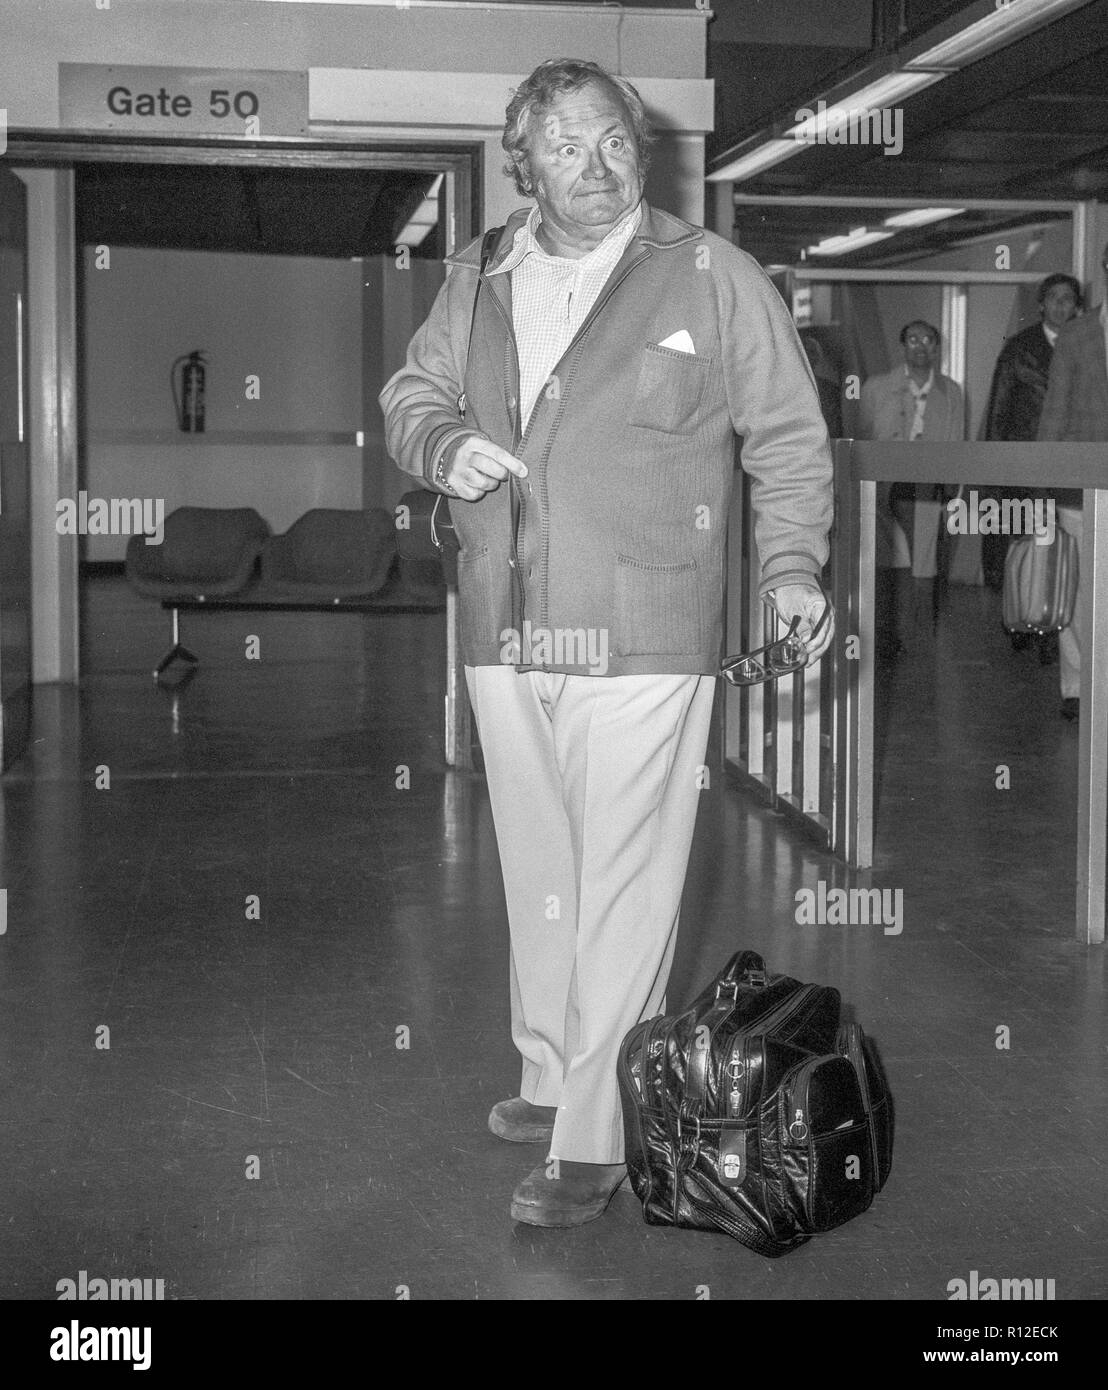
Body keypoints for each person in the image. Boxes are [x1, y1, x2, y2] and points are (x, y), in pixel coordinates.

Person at [380, 58, 834, 1227]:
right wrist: (442, 446)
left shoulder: (708, 273)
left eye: (615, 141)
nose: (599, 165)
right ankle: (550, 1070)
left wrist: (790, 568)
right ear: (521, 164)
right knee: (540, 873)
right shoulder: (476, 273)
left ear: (644, 149)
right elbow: (409, 396)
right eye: (567, 147)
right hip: (502, 619)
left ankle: (593, 1136)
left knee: (624, 881)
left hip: (646, 626)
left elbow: (785, 432)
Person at [982, 273, 1082, 658]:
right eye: (1054, 298)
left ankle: (1053, 625)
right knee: (1025, 546)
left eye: (1069, 299)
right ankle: (1020, 618)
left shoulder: (1086, 346)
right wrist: (996, 465)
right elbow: (999, 408)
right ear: (1041, 304)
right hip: (1024, 464)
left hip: (1069, 464)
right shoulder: (1019, 348)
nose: (1062, 305)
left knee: (1062, 547)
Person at [860, 321, 965, 653]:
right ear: (902, 345)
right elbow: (861, 436)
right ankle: (881, 636)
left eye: (929, 340)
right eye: (914, 339)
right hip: (881, 483)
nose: (921, 346)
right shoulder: (877, 388)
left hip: (926, 484)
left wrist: (954, 493)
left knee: (923, 564)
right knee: (880, 562)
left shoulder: (951, 392)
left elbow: (957, 444)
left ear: (938, 347)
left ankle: (918, 640)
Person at [1037, 245, 1108, 721]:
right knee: (1080, 588)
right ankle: (1078, 686)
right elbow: (1055, 409)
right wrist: (1044, 480)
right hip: (1082, 484)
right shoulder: (1078, 335)